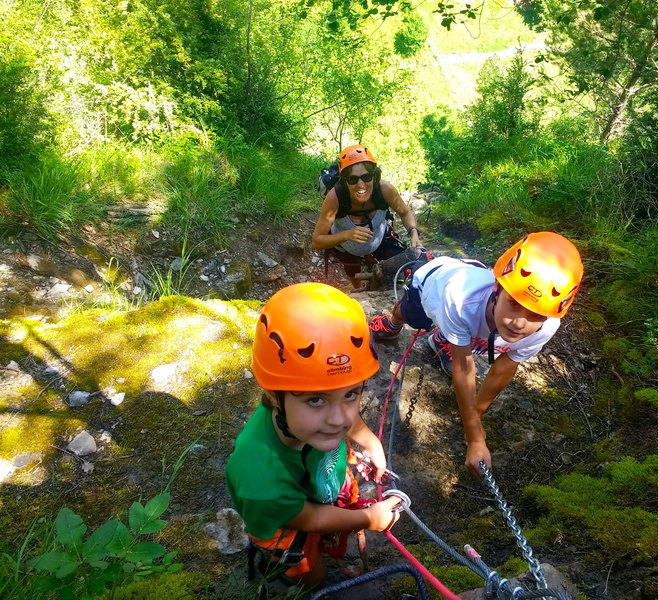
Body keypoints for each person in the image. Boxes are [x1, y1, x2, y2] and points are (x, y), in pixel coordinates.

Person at [225, 282, 402, 590]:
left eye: (351, 394)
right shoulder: (260, 481)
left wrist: (370, 442)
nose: (339, 419)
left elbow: (344, 416)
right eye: (316, 400)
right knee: (311, 572)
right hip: (284, 525)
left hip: (313, 484)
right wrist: (368, 518)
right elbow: (310, 520)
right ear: (273, 394)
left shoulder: (308, 418)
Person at [368, 232, 583, 476]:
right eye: (514, 304)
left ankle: (444, 339)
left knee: (462, 335)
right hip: (431, 282)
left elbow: (506, 366)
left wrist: (477, 415)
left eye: (535, 315)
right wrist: (473, 436)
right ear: (497, 287)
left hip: (468, 295)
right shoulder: (459, 302)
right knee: (410, 315)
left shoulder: (548, 325)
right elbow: (465, 367)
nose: (520, 323)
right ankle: (392, 323)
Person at [312, 144, 422, 288]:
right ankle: (358, 288)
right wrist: (346, 235)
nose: (361, 184)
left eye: (366, 177)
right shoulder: (335, 198)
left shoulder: (385, 190)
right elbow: (317, 241)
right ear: (345, 181)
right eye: (353, 179)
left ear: (374, 177)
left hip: (380, 238)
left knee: (402, 269)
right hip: (345, 247)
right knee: (352, 270)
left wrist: (414, 233)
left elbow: (405, 212)